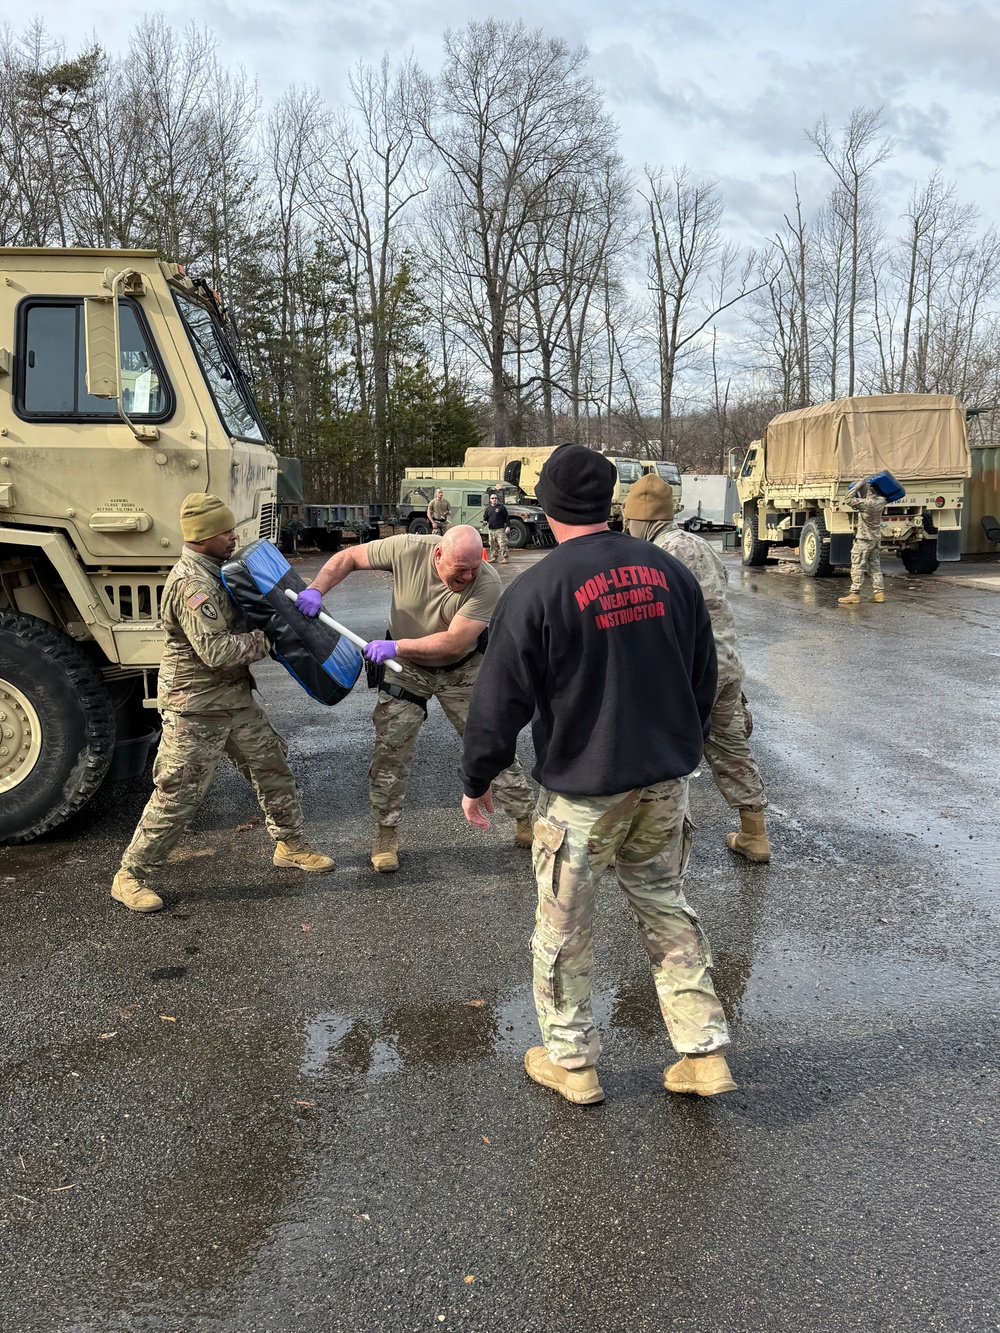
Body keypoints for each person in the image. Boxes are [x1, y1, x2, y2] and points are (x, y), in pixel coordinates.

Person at [458, 444, 736, 1105]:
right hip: (665, 783)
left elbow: (498, 701)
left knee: (563, 928)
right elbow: (706, 676)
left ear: (547, 508)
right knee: (667, 907)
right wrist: (679, 744)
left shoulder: (537, 589)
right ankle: (704, 1053)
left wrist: (478, 777)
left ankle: (573, 1063)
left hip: (585, 793)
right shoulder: (671, 574)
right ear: (607, 502)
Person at [111, 493, 334, 913]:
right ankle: (130, 876)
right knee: (178, 794)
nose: (234, 536)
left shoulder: (221, 571)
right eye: (225, 531)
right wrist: (276, 637)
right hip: (195, 705)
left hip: (233, 698)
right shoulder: (192, 585)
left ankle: (290, 845)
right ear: (202, 537)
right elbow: (216, 651)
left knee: (273, 768)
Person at [295, 525, 535, 873]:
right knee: (390, 752)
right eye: (460, 568)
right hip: (404, 668)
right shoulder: (407, 549)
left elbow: (453, 641)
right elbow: (348, 556)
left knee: (489, 744)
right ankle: (386, 835)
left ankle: (526, 818)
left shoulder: (487, 581)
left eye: (473, 567)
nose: (468, 576)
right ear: (438, 555)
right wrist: (317, 589)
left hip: (461, 667)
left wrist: (396, 646)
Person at [623, 473, 771, 864]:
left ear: (639, 520)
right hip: (726, 664)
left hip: (686, 672)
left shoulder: (652, 556)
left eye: (628, 522)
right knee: (731, 747)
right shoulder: (699, 544)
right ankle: (755, 835)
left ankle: (643, 842)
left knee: (653, 752)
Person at [839, 480, 887, 604]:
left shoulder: (865, 504)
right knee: (875, 566)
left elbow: (848, 499)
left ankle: (855, 594)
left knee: (857, 566)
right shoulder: (881, 502)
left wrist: (857, 486)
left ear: (864, 493)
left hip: (864, 540)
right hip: (875, 540)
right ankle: (879, 593)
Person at [483, 491, 511, 564]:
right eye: (492, 498)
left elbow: (507, 518)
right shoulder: (488, 508)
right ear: (490, 500)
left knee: (502, 544)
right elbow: (485, 518)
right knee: (492, 544)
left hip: (500, 529)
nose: (494, 499)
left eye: (495, 498)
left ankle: (505, 558)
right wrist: (484, 522)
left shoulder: (501, 507)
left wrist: (508, 526)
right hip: (491, 529)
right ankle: (494, 557)